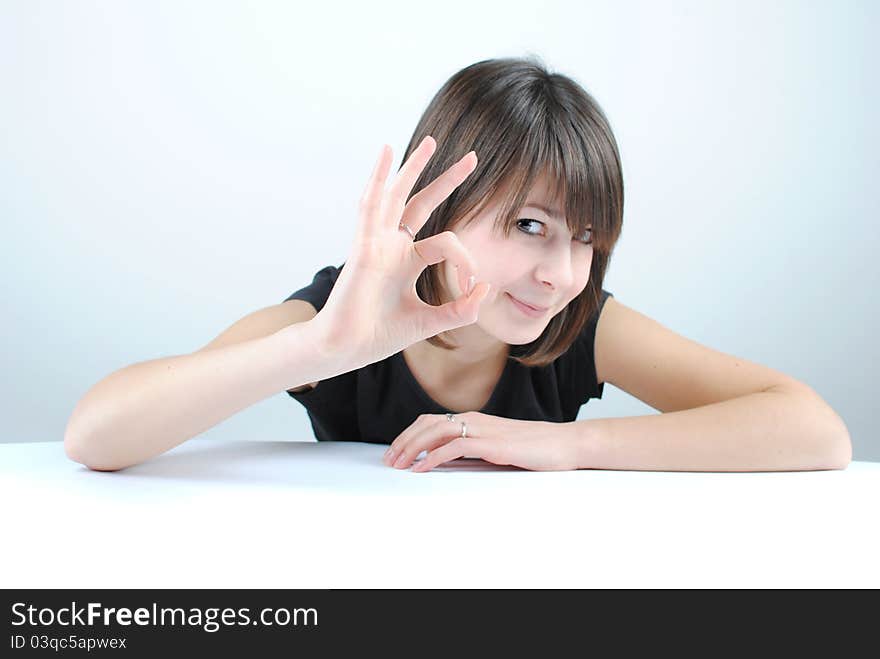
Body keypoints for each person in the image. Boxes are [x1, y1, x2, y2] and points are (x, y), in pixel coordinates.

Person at [63, 56, 850, 473]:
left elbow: (814, 432)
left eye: (584, 237)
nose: (562, 273)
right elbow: (95, 435)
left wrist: (567, 445)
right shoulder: (335, 314)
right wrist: (318, 350)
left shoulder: (577, 325)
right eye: (530, 225)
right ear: (439, 202)